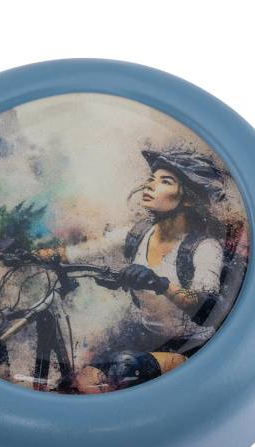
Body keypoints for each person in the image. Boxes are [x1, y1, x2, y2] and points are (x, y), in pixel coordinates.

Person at [37, 149, 233, 393]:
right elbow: (87, 250)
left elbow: (205, 304)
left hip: (192, 345)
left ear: (189, 199)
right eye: (152, 178)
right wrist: (33, 255)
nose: (150, 185)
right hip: (144, 334)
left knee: (123, 370)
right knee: (77, 382)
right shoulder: (138, 234)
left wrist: (160, 283)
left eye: (165, 181)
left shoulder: (204, 248)